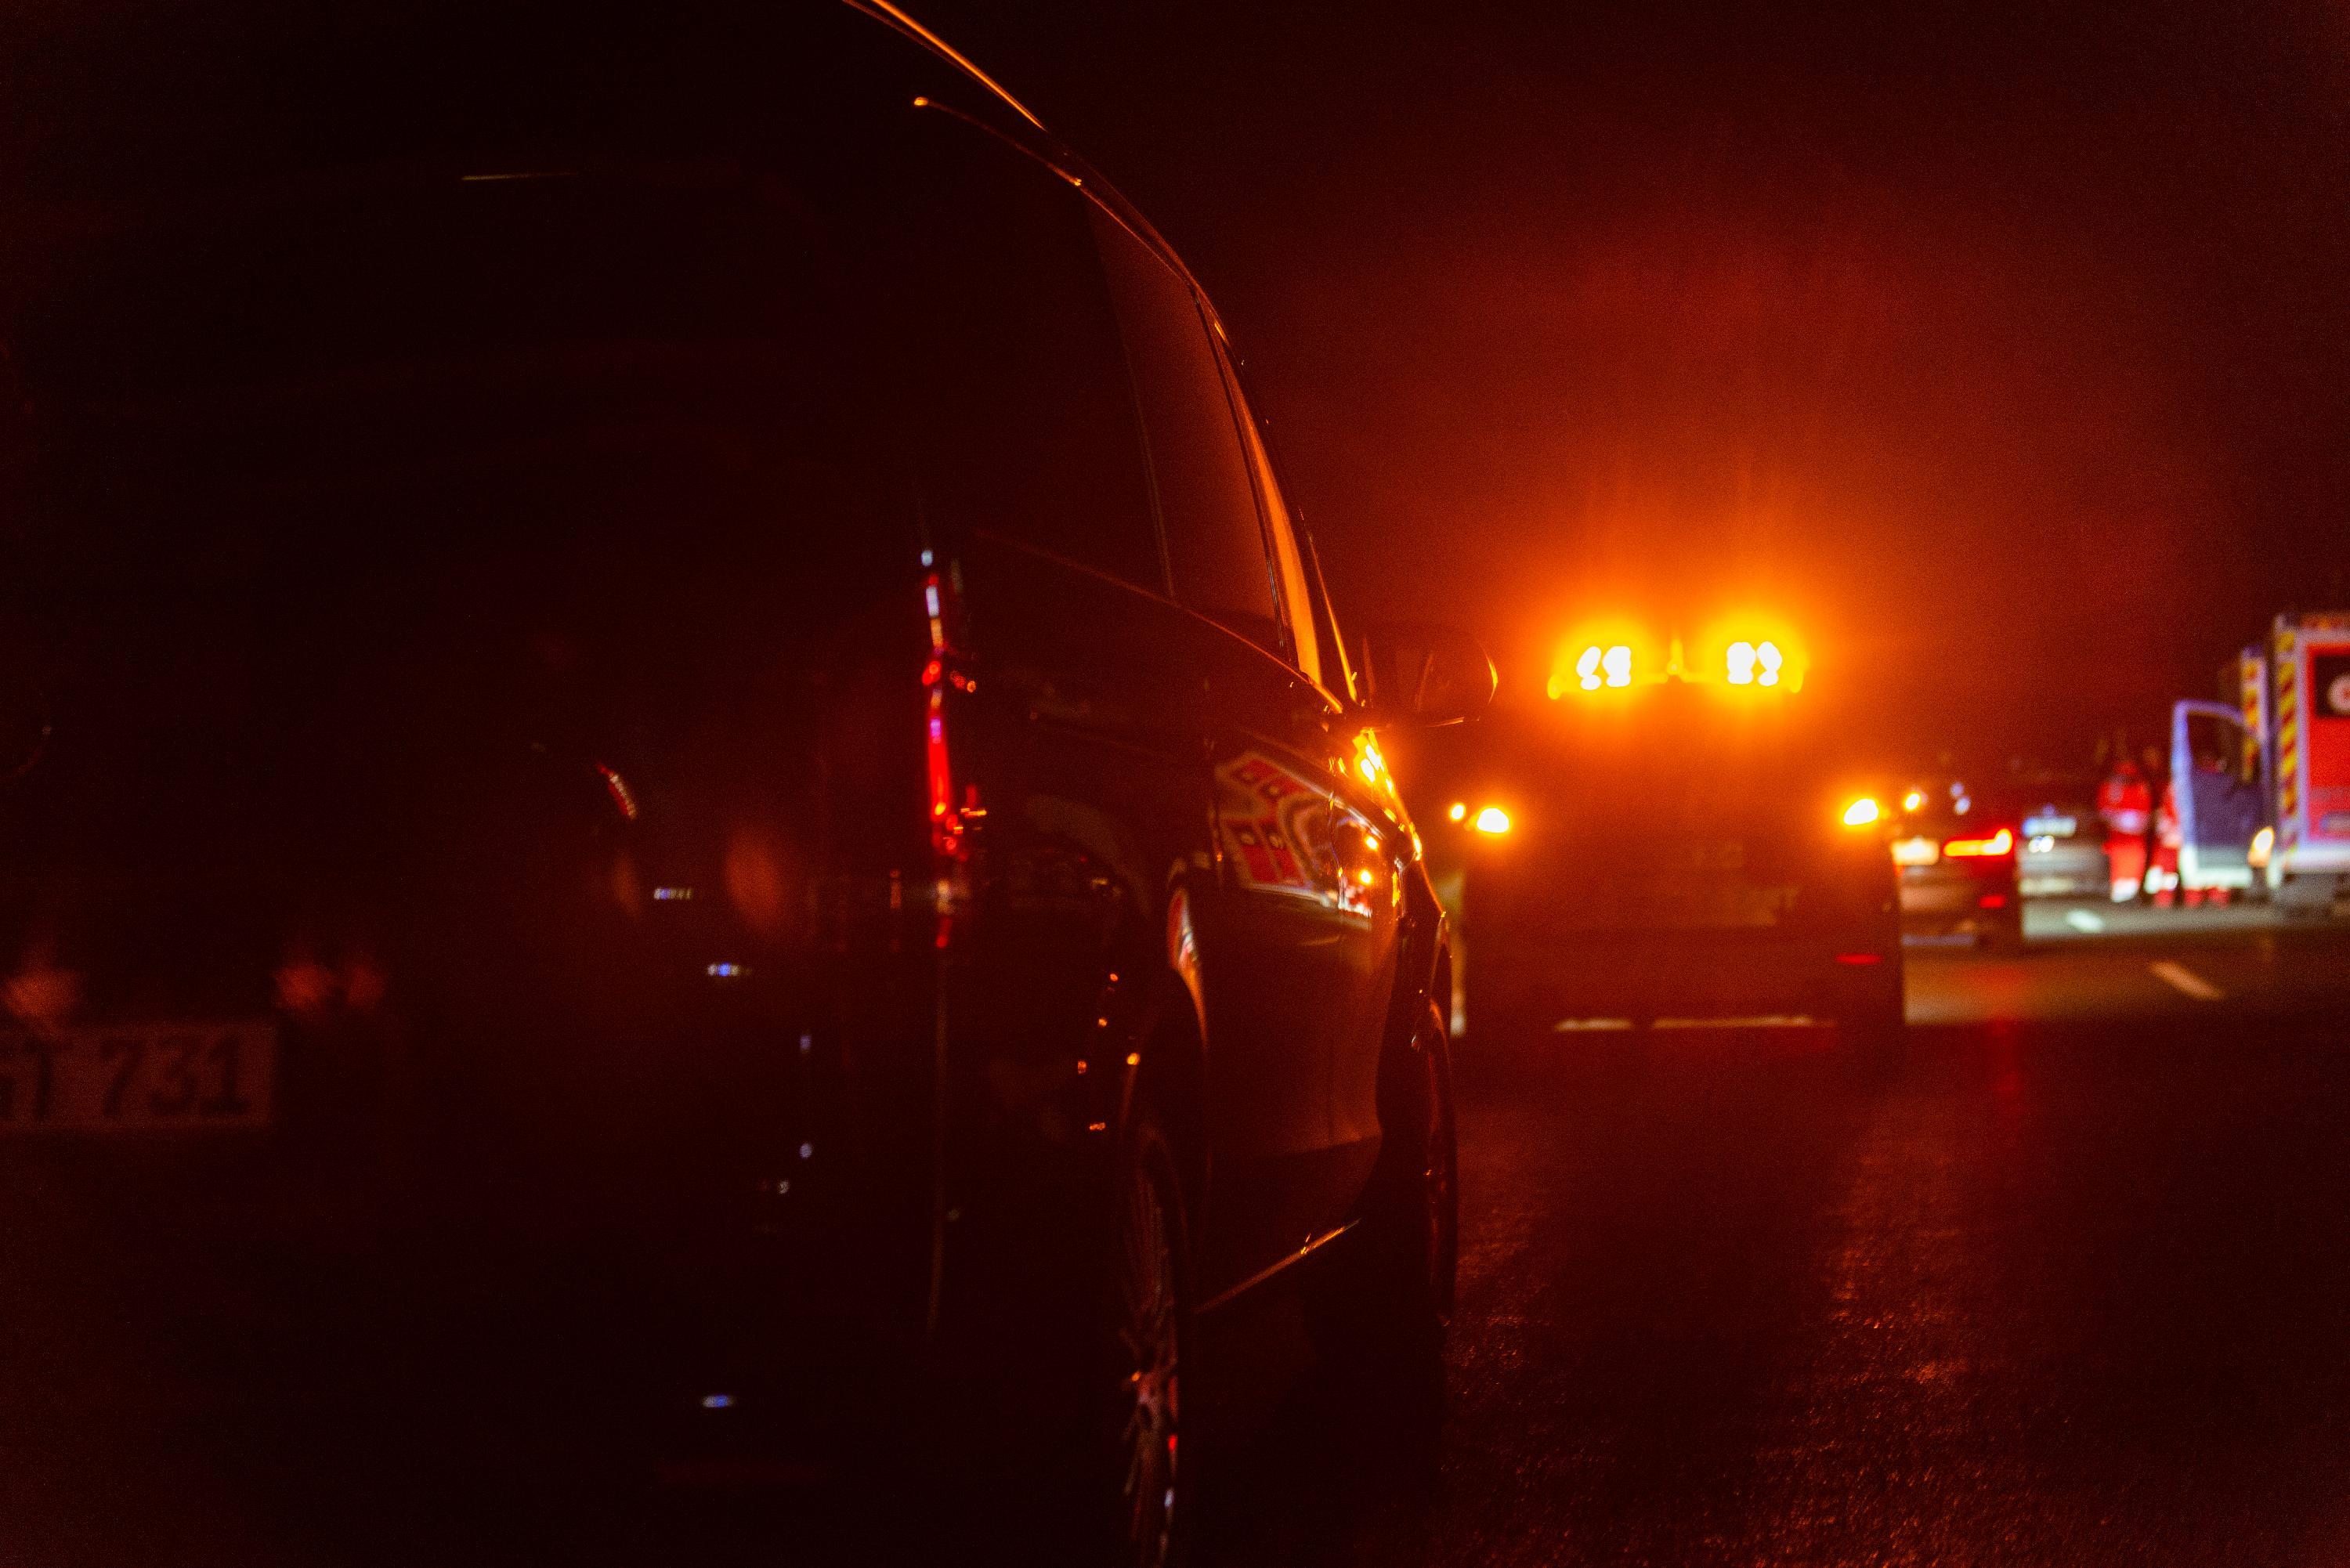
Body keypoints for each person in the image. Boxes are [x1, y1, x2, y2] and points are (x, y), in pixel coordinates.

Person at [2098, 757, 2151, 902]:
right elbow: (2104, 810)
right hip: (2119, 836)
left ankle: (2130, 894)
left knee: (2134, 864)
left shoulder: (2140, 786)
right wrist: (2119, 819)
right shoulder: (2111, 787)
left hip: (2135, 837)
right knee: (2121, 864)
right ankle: (2121, 893)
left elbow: (2144, 810)